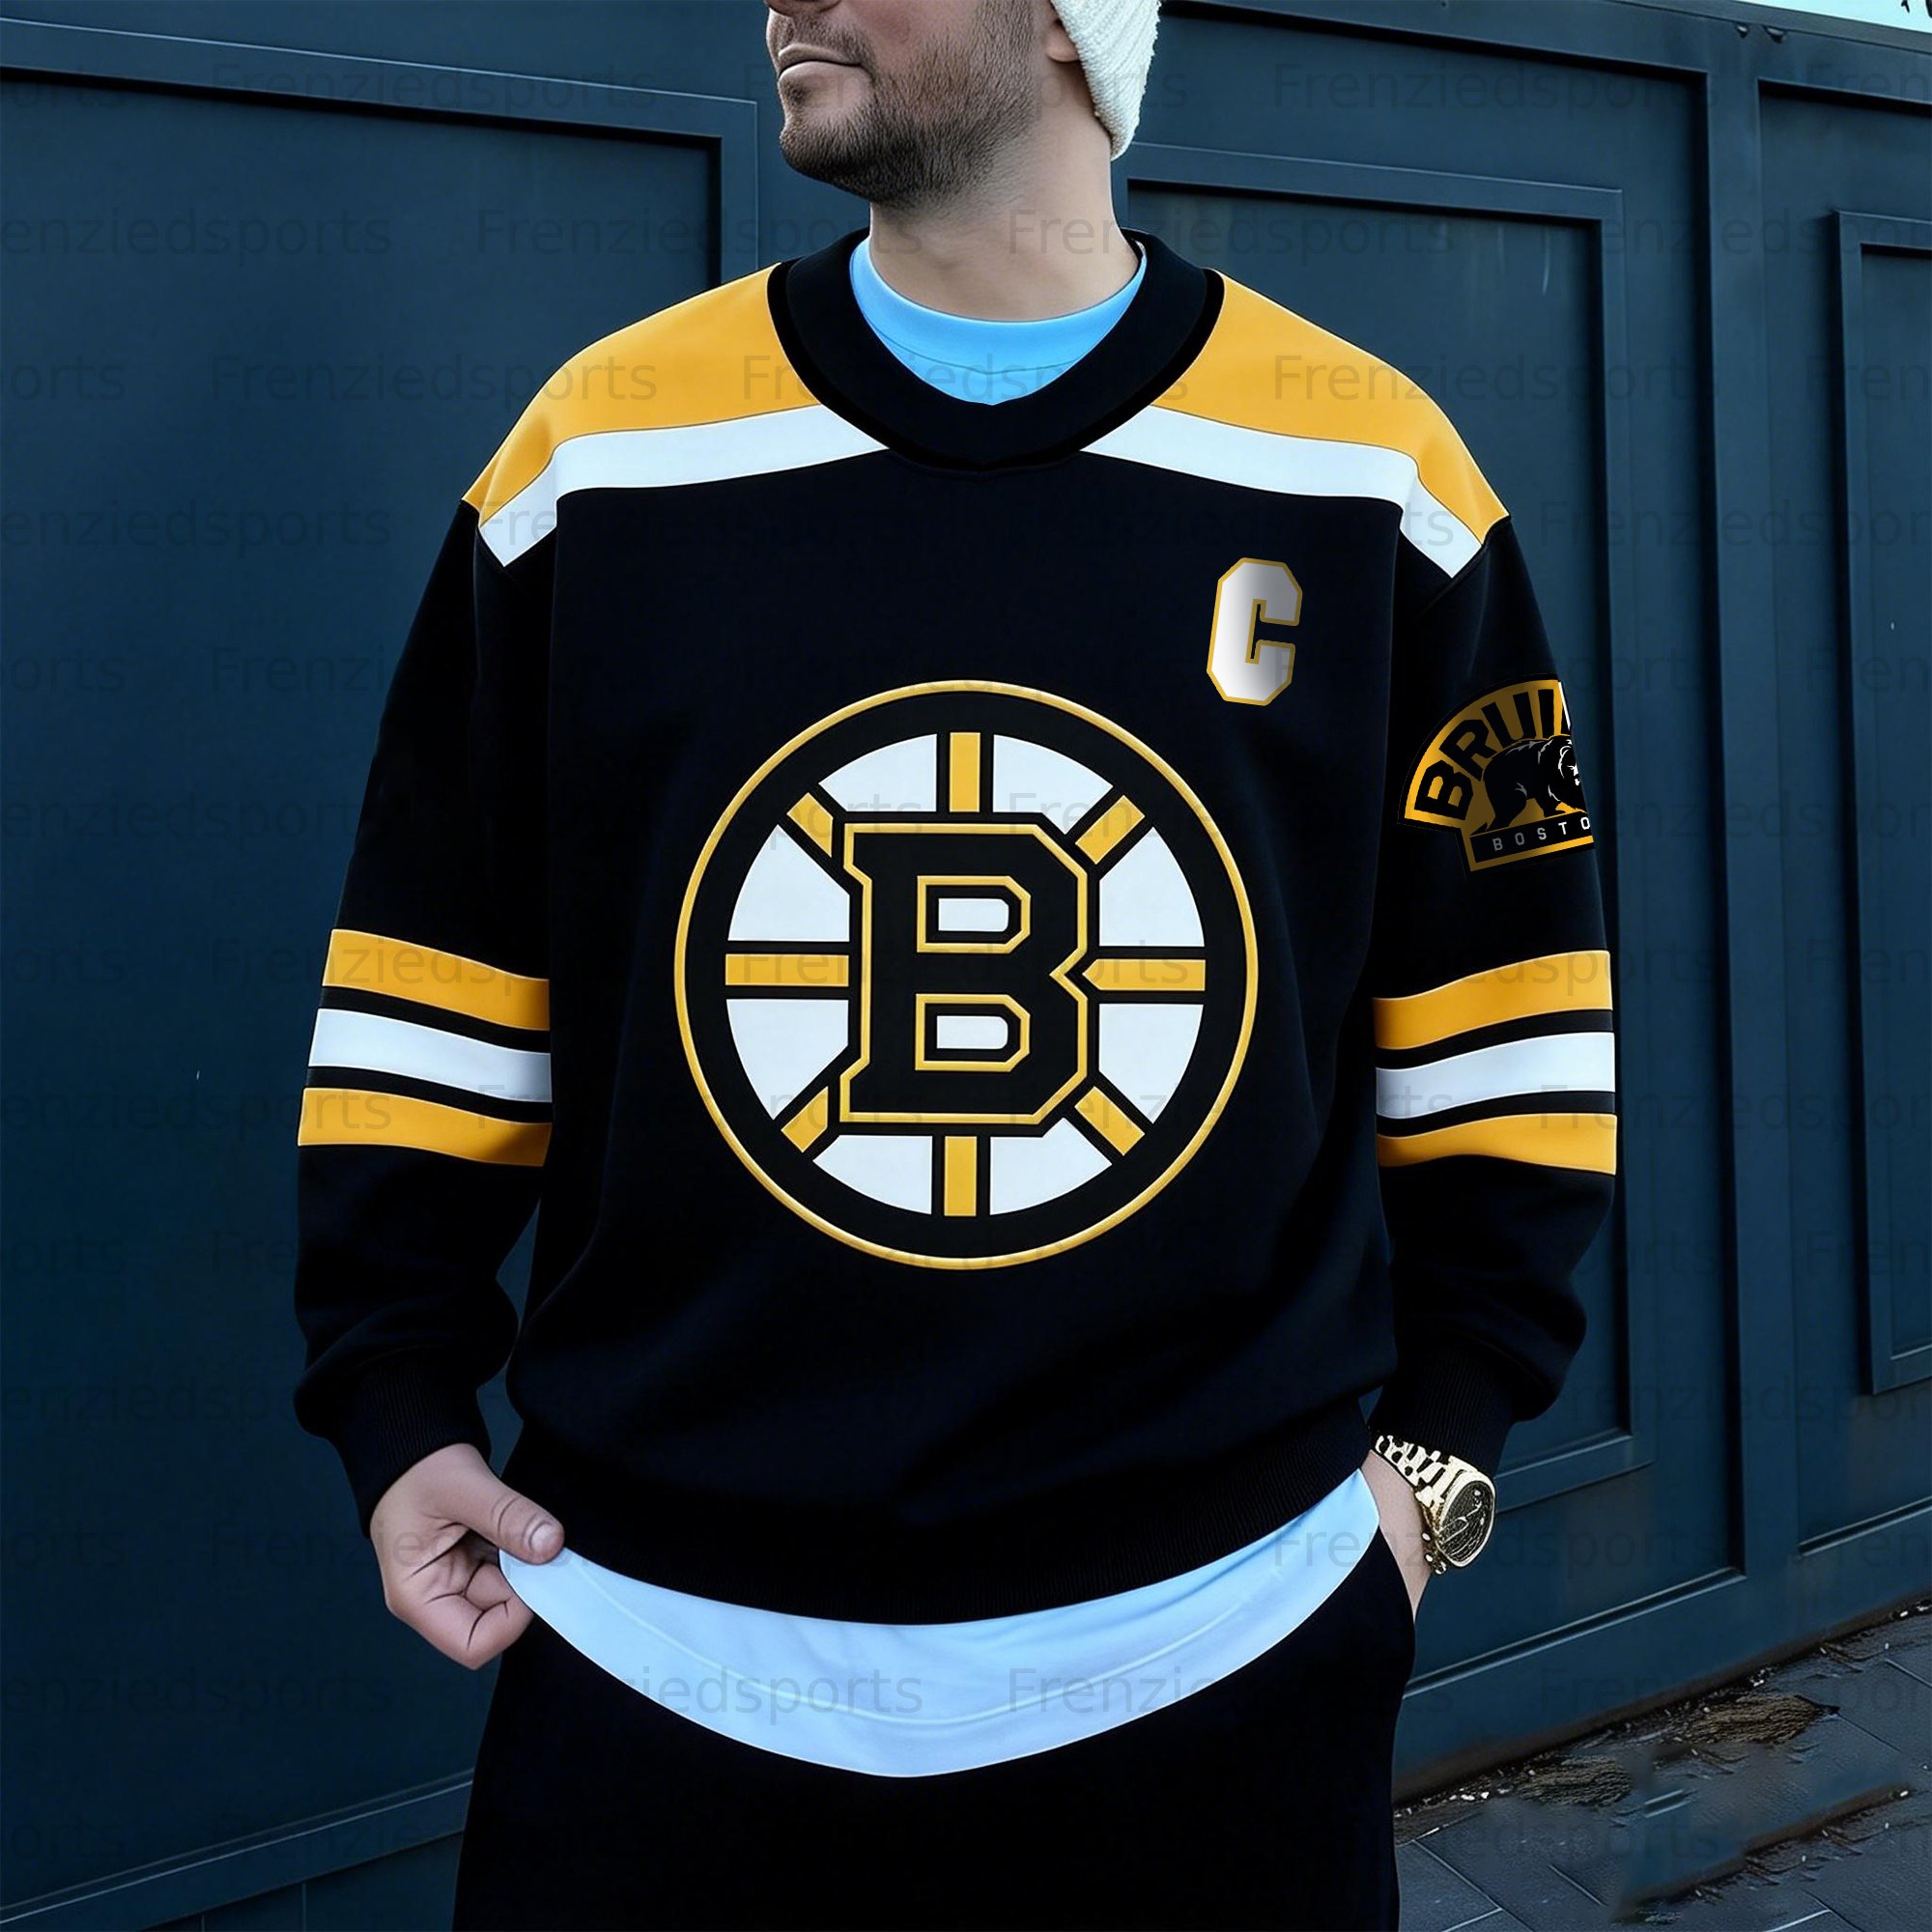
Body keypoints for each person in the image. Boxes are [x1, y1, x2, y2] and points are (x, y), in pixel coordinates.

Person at [290, 2, 1618, 1926]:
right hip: (655, 1663)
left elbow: (1513, 1035)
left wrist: (1433, 1485)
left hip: (1222, 1668)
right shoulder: (600, 453)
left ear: (1074, 24)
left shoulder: (1369, 469)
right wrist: (396, 1402)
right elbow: (436, 983)